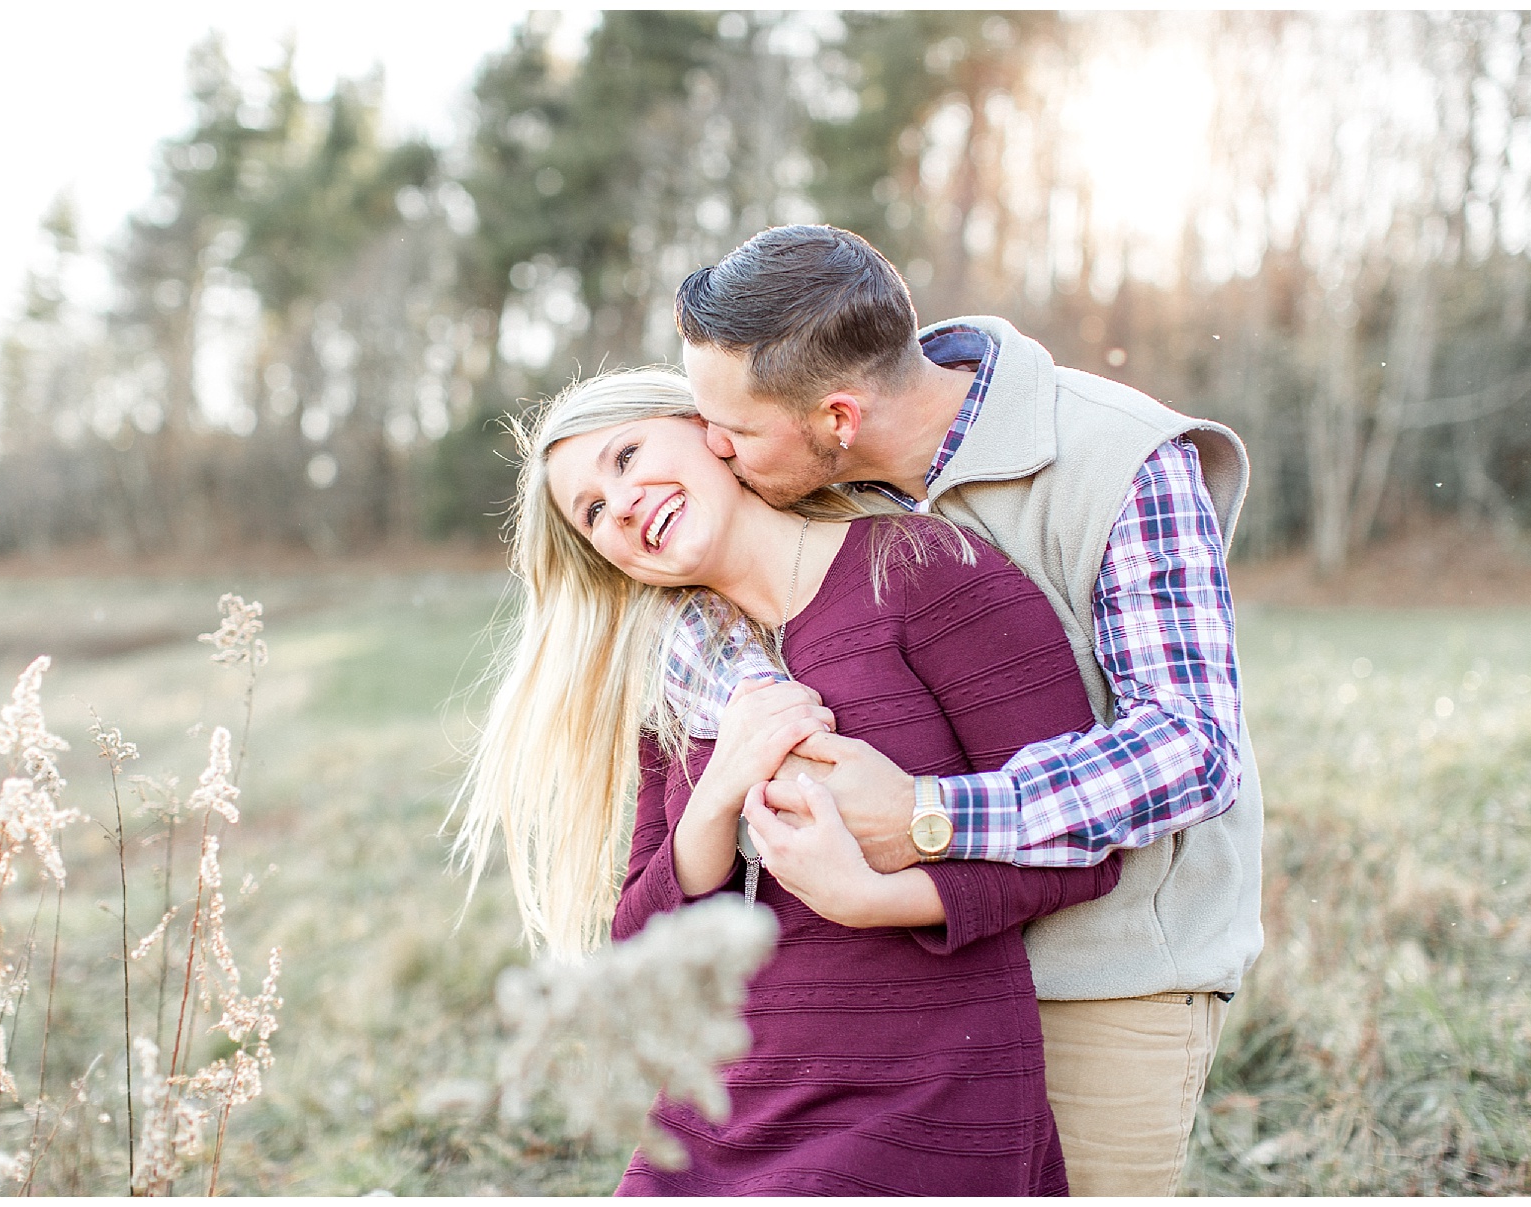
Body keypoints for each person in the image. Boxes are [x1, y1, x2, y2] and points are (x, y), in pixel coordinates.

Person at [671, 224, 1262, 1197]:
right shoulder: (813, 484)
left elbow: (1193, 746)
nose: (713, 448)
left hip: (1100, 976)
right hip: (902, 984)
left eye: (731, 426)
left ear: (839, 416)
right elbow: (692, 611)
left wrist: (929, 817)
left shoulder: (1118, 459)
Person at [449, 368, 1123, 1196]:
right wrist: (718, 790)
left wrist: (877, 897)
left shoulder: (922, 568)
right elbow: (640, 940)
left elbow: (1084, 847)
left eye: (626, 457)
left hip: (920, 1099)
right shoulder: (678, 675)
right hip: (722, 1107)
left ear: (709, 428)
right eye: (590, 512)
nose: (619, 505)